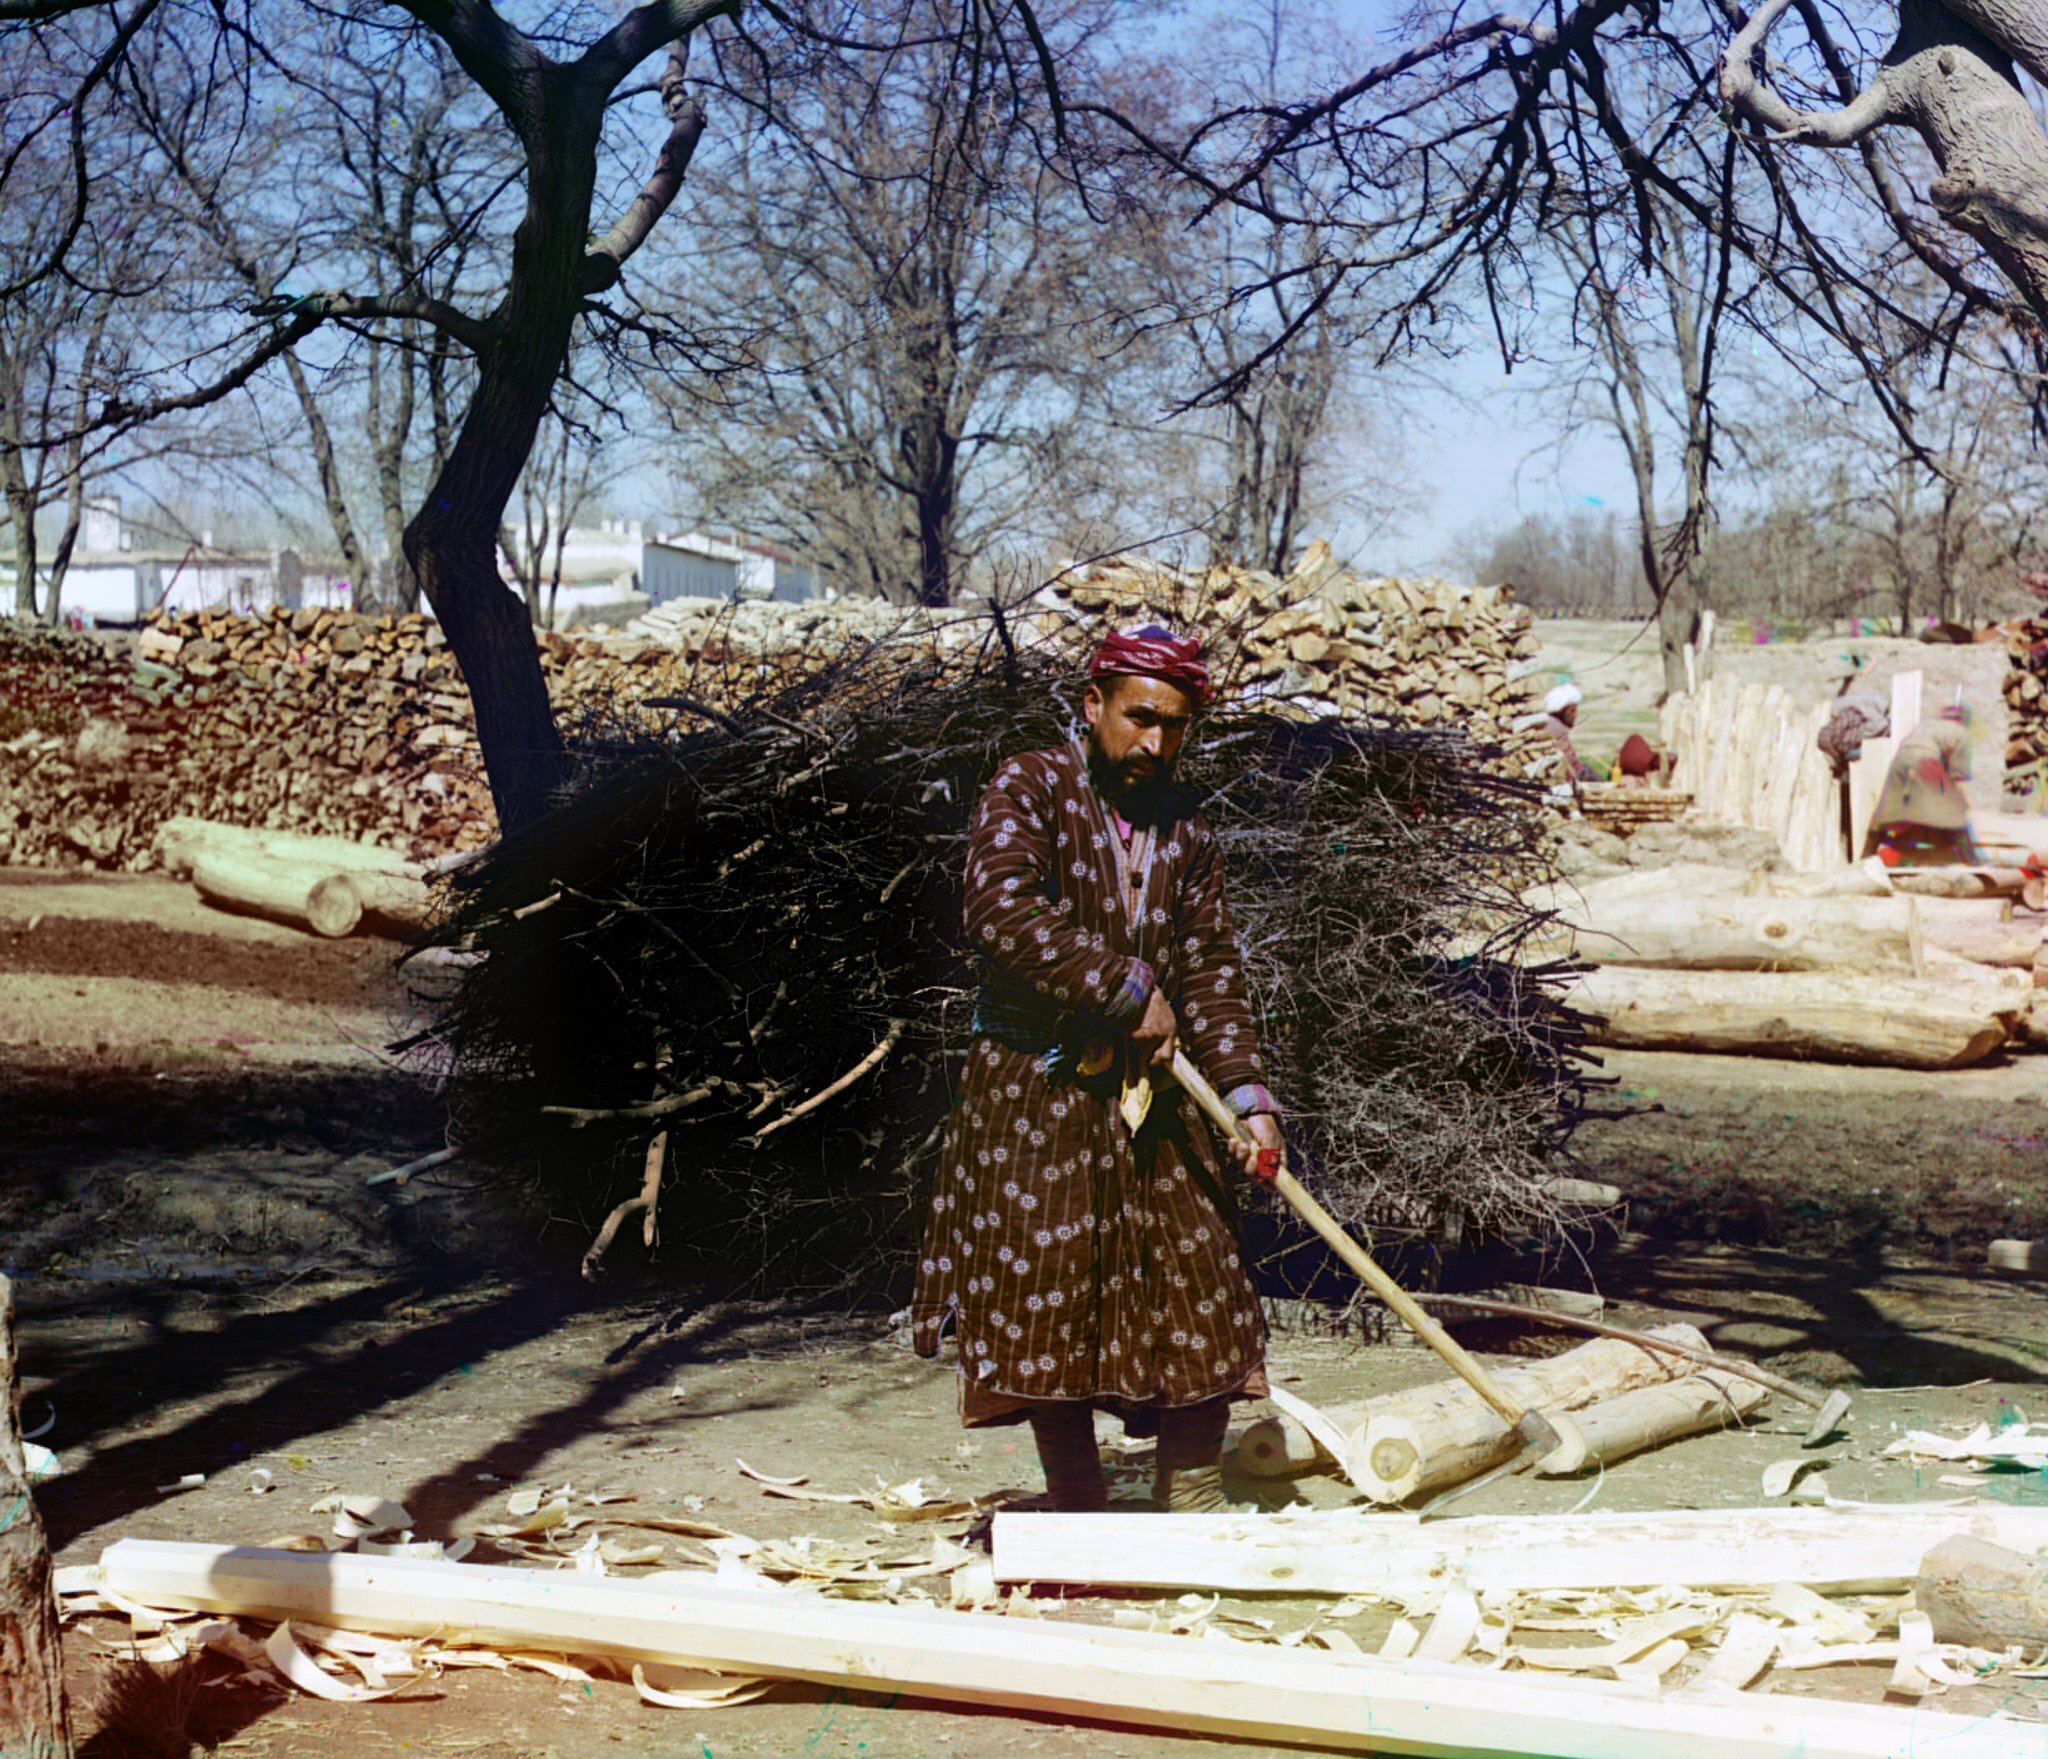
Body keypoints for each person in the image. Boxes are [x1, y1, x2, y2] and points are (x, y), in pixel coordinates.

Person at [910, 626, 1284, 1515]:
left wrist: (1246, 1098)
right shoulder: (1030, 786)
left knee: (1202, 1286)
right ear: (1094, 706)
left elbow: (1214, 970)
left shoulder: (1186, 829)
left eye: (1174, 727)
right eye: (1139, 718)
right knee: (1050, 1297)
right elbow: (998, 906)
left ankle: (1190, 1495)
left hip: (1156, 1097)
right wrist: (1119, 986)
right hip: (1036, 1088)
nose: (1154, 744)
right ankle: (1076, 1503)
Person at [1861, 703, 1982, 867]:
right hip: (1926, 760)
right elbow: (1957, 775)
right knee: (1955, 813)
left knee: (1887, 810)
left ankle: (1866, 856)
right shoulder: (1961, 733)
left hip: (1900, 760)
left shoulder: (1926, 725)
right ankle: (1972, 860)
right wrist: (1961, 804)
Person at [1543, 683, 1599, 782]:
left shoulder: (1550, 723)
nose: (1576, 714)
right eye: (1573, 710)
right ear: (1565, 711)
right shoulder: (1557, 730)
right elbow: (1570, 763)